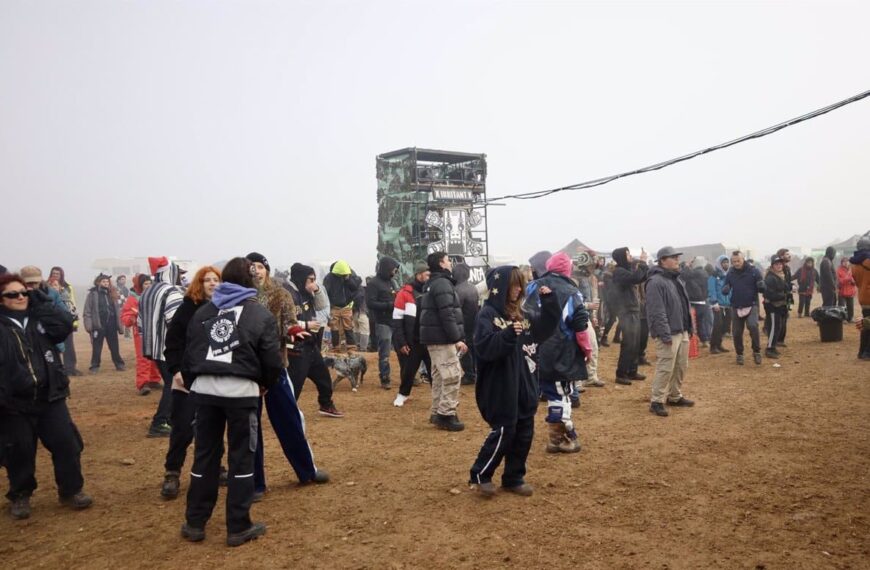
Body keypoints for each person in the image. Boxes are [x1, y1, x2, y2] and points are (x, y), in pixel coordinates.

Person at [181, 257, 280, 547]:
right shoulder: (259, 315)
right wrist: (264, 385)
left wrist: (194, 385)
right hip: (241, 394)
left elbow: (189, 356)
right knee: (241, 459)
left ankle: (194, 522)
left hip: (205, 392)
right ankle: (238, 525)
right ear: (250, 281)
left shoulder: (202, 313)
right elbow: (272, 360)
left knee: (205, 456)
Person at [0, 273, 93, 520]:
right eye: (12, 294)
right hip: (14, 403)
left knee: (67, 444)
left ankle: (71, 490)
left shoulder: (39, 318)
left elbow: (64, 326)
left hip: (50, 396)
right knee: (19, 451)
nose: (20, 297)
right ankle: (20, 495)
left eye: (24, 292)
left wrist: (43, 303)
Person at [468, 266, 559, 497]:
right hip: (500, 386)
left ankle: (514, 477)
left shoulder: (523, 314)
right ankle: (481, 475)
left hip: (525, 384)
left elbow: (544, 329)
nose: (518, 290)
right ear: (500, 287)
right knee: (504, 431)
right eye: (514, 285)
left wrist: (549, 304)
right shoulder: (486, 315)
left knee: (524, 432)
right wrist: (507, 335)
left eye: (521, 285)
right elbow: (484, 348)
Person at [250, 258, 332, 502]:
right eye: (250, 268)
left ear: (267, 268)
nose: (256, 272)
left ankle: (306, 470)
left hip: (276, 364)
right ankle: (255, 483)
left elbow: (289, 322)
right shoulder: (238, 297)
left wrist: (294, 330)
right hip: (247, 372)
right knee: (249, 429)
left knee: (290, 419)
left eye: (260, 266)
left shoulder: (280, 294)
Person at [160, 266, 222, 499]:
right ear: (199, 283)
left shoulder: (224, 308)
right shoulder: (187, 308)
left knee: (213, 427)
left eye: (216, 280)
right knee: (183, 428)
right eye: (207, 280)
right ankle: (172, 473)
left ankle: (218, 468)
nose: (212, 283)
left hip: (213, 377)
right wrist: (175, 370)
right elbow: (172, 341)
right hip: (186, 377)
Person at [535, 252, 592, 453]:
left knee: (553, 392)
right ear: (567, 269)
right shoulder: (571, 291)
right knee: (561, 394)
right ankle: (561, 437)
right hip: (561, 349)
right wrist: (587, 349)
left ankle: (558, 436)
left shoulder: (533, 286)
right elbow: (580, 324)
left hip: (534, 349)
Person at [419, 252, 467, 431]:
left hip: (434, 338)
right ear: (441, 263)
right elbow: (447, 313)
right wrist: (457, 338)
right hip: (443, 338)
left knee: (439, 376)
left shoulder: (433, 283)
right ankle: (446, 414)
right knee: (452, 375)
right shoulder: (442, 284)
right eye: (448, 260)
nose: (450, 263)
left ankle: (437, 412)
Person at [645, 247, 694, 417]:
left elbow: (684, 305)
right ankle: (657, 401)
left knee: (681, 365)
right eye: (673, 257)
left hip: (682, 330)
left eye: (677, 257)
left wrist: (689, 327)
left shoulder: (676, 280)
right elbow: (656, 311)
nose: (677, 260)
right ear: (663, 260)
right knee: (666, 367)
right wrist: (664, 334)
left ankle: (674, 395)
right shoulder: (655, 282)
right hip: (668, 332)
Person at [139, 257, 185, 438]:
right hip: (168, 347)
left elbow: (140, 322)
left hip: (152, 347)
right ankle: (159, 422)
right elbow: (175, 322)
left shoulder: (147, 292)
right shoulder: (171, 292)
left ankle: (171, 419)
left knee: (171, 383)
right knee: (172, 384)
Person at [391, 261, 431, 407]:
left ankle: (440, 397)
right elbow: (397, 320)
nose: (429, 277)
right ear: (419, 274)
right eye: (427, 274)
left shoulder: (432, 291)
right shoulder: (404, 293)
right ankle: (402, 395)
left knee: (435, 372)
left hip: (429, 339)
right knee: (408, 372)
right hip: (413, 340)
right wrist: (402, 342)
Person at [610, 247, 648, 385]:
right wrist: (642, 262)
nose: (630, 256)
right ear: (621, 257)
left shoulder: (626, 270)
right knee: (628, 343)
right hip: (626, 311)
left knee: (635, 342)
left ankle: (632, 371)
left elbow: (642, 277)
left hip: (633, 310)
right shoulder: (619, 272)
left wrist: (644, 264)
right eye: (627, 254)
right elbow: (636, 278)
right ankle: (621, 374)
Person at [120, 274, 162, 395]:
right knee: (143, 358)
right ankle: (143, 383)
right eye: (145, 284)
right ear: (139, 286)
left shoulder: (155, 296)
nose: (148, 286)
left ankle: (154, 379)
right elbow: (126, 315)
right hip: (141, 332)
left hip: (155, 330)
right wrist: (131, 319)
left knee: (155, 356)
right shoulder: (133, 299)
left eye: (150, 283)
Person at [723, 251, 765, 366]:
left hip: (752, 304)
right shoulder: (730, 273)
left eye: (738, 260)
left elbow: (761, 285)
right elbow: (726, 285)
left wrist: (761, 285)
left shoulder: (753, 271)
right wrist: (725, 288)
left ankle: (756, 351)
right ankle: (739, 354)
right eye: (734, 261)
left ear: (743, 259)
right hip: (736, 305)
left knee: (752, 326)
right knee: (736, 332)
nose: (736, 263)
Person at [366, 256, 400, 389]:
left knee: (402, 350)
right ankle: (385, 378)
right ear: (387, 268)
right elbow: (370, 303)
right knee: (385, 352)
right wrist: (389, 305)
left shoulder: (393, 282)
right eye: (393, 269)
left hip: (395, 321)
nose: (395, 272)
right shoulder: (374, 283)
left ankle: (408, 376)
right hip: (382, 322)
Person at [82, 273, 126, 374]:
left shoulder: (113, 293)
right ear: (98, 282)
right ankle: (94, 366)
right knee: (97, 347)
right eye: (103, 281)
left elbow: (118, 309)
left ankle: (119, 364)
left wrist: (120, 324)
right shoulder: (92, 294)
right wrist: (89, 326)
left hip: (111, 324)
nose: (106, 283)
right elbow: (87, 311)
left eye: (107, 281)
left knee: (114, 346)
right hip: (98, 324)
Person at [323, 260, 362, 353]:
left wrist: (348, 279)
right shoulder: (329, 277)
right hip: (334, 307)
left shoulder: (350, 275)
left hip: (347, 306)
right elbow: (325, 292)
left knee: (348, 326)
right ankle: (335, 347)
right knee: (334, 327)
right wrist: (330, 305)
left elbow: (355, 287)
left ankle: (352, 348)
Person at [49, 267, 82, 376]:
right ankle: (55, 370)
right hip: (52, 322)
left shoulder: (68, 287)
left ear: (61, 275)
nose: (55, 275)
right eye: (53, 273)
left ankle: (70, 368)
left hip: (66, 320)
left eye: (58, 273)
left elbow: (72, 303)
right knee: (53, 347)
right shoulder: (45, 286)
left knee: (69, 346)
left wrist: (74, 320)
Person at [453, 263, 480, 386]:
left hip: (463, 325)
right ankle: (473, 372)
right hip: (473, 323)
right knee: (472, 349)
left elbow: (455, 311)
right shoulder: (473, 288)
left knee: (464, 350)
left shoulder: (458, 290)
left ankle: (469, 375)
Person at [762, 255, 790, 359]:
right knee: (773, 327)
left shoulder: (780, 275)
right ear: (772, 265)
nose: (779, 266)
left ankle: (773, 347)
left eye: (780, 264)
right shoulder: (770, 277)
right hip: (772, 306)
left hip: (779, 305)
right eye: (776, 264)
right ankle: (769, 349)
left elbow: (785, 288)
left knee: (777, 327)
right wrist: (784, 295)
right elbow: (768, 294)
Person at [682, 257, 712, 348]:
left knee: (694, 323)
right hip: (703, 301)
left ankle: (695, 341)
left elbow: (684, 275)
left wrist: (686, 266)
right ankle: (705, 340)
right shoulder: (703, 272)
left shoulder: (695, 273)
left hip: (695, 302)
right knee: (703, 322)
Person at [849, 236, 870, 360]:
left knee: (866, 325)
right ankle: (868, 353)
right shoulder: (867, 261)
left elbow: (857, 282)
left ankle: (861, 352)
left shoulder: (854, 264)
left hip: (863, 297)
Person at [707, 255, 732, 354]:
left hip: (727, 305)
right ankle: (713, 346)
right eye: (723, 262)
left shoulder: (729, 275)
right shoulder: (714, 275)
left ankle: (719, 344)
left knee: (725, 327)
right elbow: (711, 289)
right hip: (718, 305)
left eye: (727, 262)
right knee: (717, 325)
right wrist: (714, 302)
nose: (726, 264)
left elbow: (731, 290)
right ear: (719, 264)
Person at [837, 257, 857, 322]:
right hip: (842, 291)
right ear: (841, 263)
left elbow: (855, 280)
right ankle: (842, 319)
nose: (846, 263)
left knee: (850, 306)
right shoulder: (838, 270)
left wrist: (854, 281)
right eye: (844, 261)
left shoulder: (852, 269)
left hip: (851, 291)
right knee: (842, 306)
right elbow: (839, 281)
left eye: (847, 261)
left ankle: (850, 318)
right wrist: (848, 278)